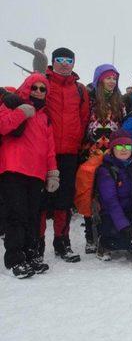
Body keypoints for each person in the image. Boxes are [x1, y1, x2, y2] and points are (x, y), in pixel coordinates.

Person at [0, 73, 57, 278]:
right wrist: (21, 113)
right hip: (13, 169)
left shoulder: (45, 118)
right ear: (27, 87)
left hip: (36, 173)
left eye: (43, 89)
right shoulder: (12, 105)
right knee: (16, 216)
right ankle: (15, 259)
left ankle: (31, 254)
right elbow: (2, 126)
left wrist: (53, 173)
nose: (38, 92)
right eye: (35, 87)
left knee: (33, 216)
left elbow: (50, 149)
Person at [40, 47, 89, 263]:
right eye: (60, 59)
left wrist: (78, 143)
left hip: (70, 153)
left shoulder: (80, 90)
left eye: (69, 60)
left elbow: (84, 118)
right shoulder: (42, 82)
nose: (65, 63)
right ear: (52, 62)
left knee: (64, 200)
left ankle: (62, 242)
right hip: (43, 152)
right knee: (41, 201)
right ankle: (37, 243)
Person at [80, 64, 126, 254]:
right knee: (89, 194)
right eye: (108, 78)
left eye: (114, 79)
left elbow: (122, 128)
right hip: (91, 153)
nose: (111, 82)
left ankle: (103, 236)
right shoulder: (90, 100)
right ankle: (89, 237)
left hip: (110, 156)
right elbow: (82, 125)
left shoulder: (119, 103)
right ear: (99, 79)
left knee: (106, 195)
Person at [95, 129, 132, 261]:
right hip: (112, 215)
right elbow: (111, 202)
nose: (124, 149)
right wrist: (124, 225)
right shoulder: (106, 170)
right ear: (112, 149)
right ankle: (104, 243)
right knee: (123, 240)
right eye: (119, 146)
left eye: (127, 146)